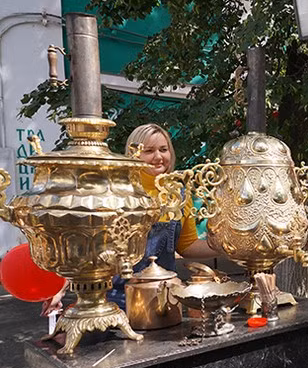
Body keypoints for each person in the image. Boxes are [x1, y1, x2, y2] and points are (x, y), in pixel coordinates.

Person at [42, 123, 217, 314]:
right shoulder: (117, 193)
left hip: (164, 298)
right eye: (149, 151)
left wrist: (227, 246)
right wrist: (56, 291)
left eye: (163, 149)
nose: (158, 157)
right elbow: (87, 250)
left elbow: (187, 245)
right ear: (134, 154)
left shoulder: (179, 194)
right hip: (116, 300)